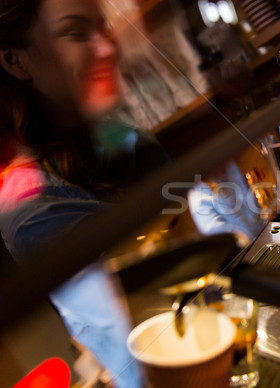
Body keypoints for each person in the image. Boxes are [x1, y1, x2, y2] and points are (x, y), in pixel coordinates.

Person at [0, 0, 168, 386]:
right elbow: (147, 329)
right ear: (15, 60)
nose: (108, 48)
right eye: (76, 33)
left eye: (104, 29)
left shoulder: (125, 140)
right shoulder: (34, 211)